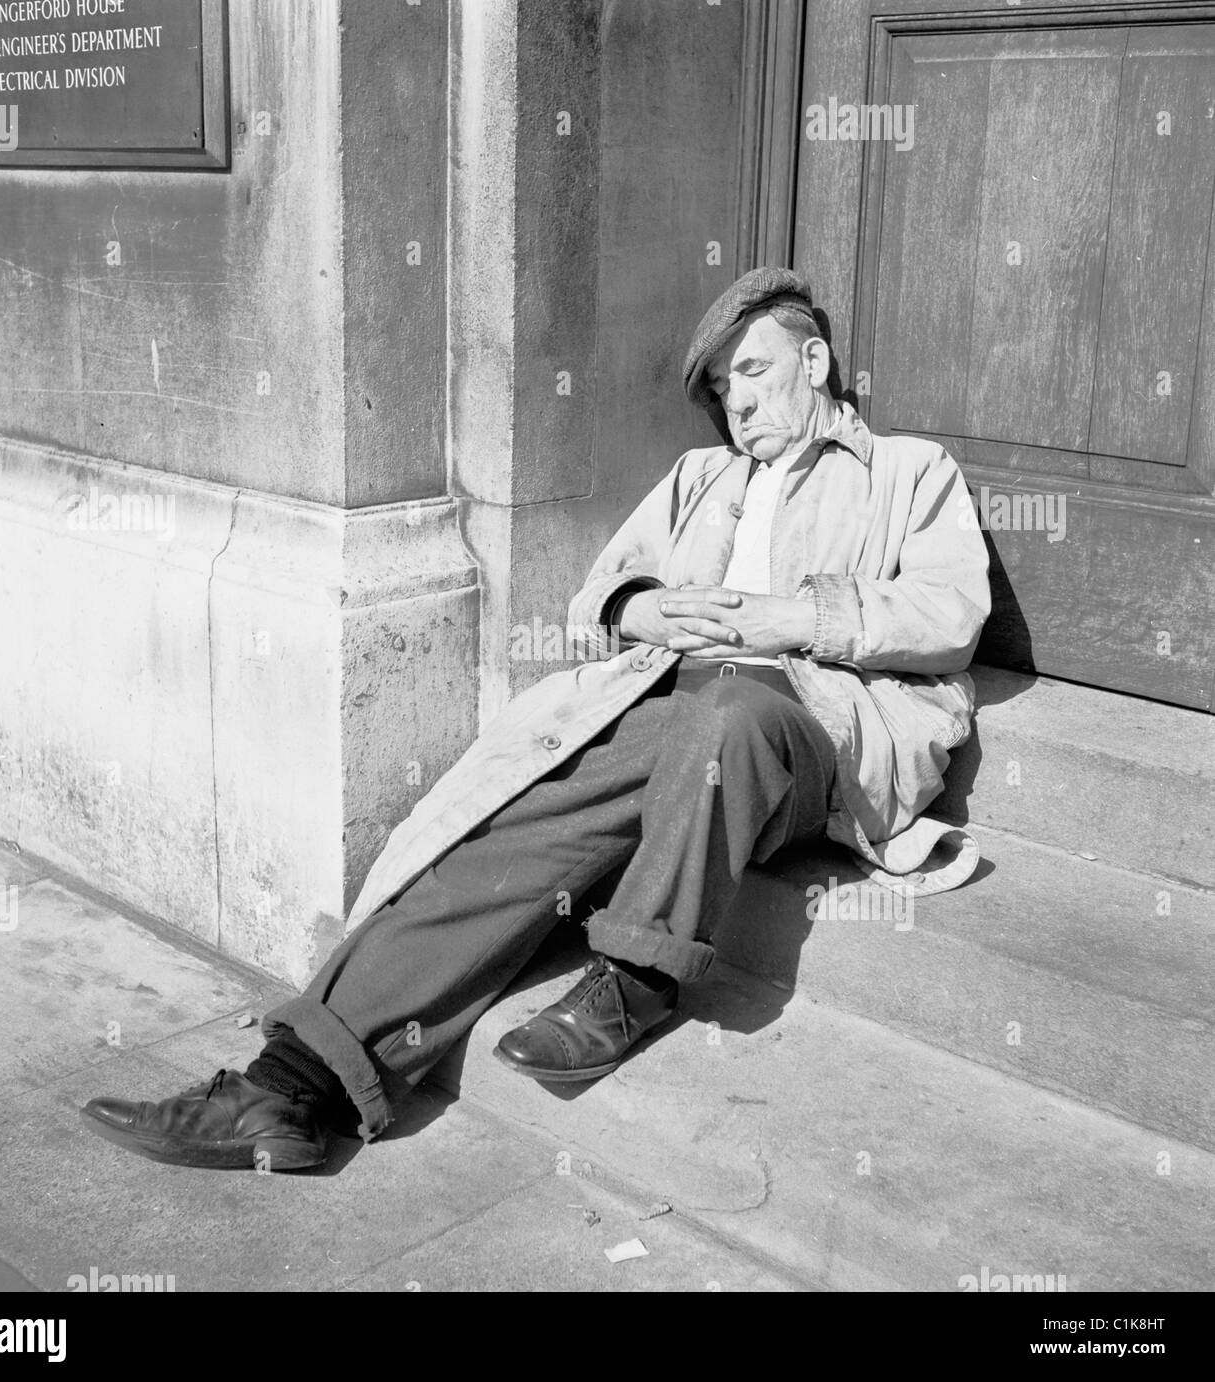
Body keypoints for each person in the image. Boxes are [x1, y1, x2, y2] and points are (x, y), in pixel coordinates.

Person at [81, 267, 991, 1171]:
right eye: (721, 389)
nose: (736, 403)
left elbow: (950, 617)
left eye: (752, 371)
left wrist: (793, 619)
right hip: (669, 708)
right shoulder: (700, 478)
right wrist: (648, 612)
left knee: (732, 717)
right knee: (513, 832)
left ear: (816, 359)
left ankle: (633, 979)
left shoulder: (907, 472)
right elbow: (597, 596)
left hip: (811, 724)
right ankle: (286, 1087)